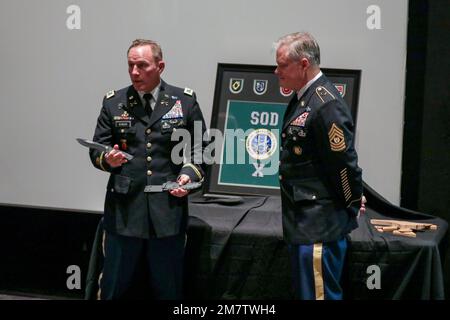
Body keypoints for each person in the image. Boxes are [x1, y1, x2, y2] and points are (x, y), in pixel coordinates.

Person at [89, 39, 207, 299]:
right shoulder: (114, 102)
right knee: (113, 288)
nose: (134, 72)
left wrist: (188, 176)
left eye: (142, 65)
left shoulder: (184, 101)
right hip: (124, 212)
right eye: (131, 65)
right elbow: (97, 149)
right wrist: (108, 159)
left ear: (160, 66)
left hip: (166, 211)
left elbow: (201, 150)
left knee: (168, 288)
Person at [274, 32, 363, 300]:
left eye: (282, 65)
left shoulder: (325, 104)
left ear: (303, 64)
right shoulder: (306, 96)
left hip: (319, 223)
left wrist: (352, 200)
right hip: (305, 220)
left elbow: (343, 164)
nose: (276, 71)